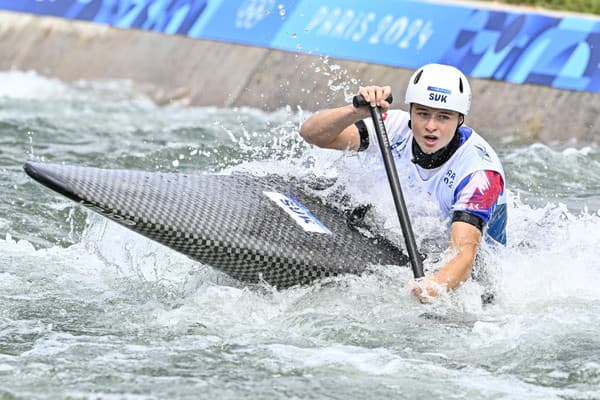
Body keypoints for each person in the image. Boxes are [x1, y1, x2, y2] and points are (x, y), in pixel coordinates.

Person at [299, 63, 507, 302]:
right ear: (411, 111)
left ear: (460, 119)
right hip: (420, 242)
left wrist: (434, 287)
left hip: (478, 279)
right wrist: (356, 110)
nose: (431, 126)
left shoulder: (480, 173)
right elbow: (312, 134)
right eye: (422, 114)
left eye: (443, 117)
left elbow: (464, 254)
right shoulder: (392, 126)